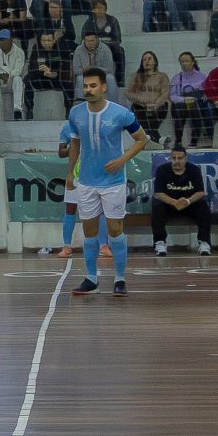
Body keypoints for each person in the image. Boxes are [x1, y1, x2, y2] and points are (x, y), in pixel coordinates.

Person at [65, 67, 148, 297]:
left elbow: (142, 140)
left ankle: (120, 279)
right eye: (85, 86)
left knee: (114, 229)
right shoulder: (75, 113)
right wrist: (70, 172)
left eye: (93, 86)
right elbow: (74, 144)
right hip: (87, 181)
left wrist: (122, 160)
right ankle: (91, 278)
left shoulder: (121, 113)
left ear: (103, 87)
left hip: (113, 181)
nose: (88, 90)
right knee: (89, 231)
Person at [57, 120, 108, 259]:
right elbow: (61, 152)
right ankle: (66, 246)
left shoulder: (98, 124)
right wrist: (74, 147)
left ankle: (103, 246)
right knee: (70, 208)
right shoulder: (68, 127)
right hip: (76, 174)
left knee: (100, 209)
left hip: (95, 174)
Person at [152, 145, 211, 257]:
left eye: (180, 158)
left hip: (188, 204)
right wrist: (175, 202)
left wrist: (187, 201)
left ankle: (204, 242)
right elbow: (158, 193)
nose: (177, 161)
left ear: (186, 158)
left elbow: (200, 192)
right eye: (174, 158)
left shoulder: (194, 170)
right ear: (170, 158)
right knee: (157, 205)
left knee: (203, 206)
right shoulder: (162, 170)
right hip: (169, 205)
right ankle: (160, 243)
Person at [125, 51, 170, 142]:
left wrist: (155, 104)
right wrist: (143, 102)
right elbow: (128, 93)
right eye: (144, 60)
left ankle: (150, 138)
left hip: (158, 106)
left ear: (155, 62)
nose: (147, 61)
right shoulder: (136, 76)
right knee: (138, 111)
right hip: (140, 106)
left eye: (149, 59)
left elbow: (165, 93)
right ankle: (158, 139)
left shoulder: (162, 76)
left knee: (162, 108)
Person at [169, 51, 209, 147]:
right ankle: (178, 140)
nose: (184, 63)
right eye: (182, 61)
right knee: (179, 108)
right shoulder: (176, 78)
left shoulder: (202, 77)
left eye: (187, 61)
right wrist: (184, 100)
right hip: (181, 104)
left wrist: (198, 98)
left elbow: (206, 94)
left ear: (192, 62)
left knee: (195, 106)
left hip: (197, 105)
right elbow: (172, 96)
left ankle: (194, 141)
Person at [0, 29, 26, 119]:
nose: (2, 42)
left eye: (5, 40)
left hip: (11, 81)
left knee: (18, 79)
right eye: (0, 40)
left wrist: (8, 75)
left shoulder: (19, 52)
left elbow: (18, 70)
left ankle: (17, 111)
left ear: (11, 40)